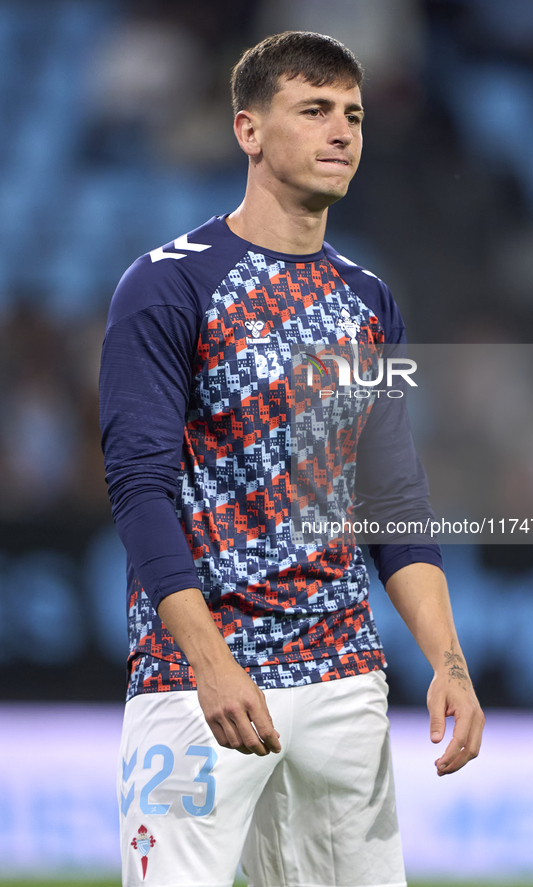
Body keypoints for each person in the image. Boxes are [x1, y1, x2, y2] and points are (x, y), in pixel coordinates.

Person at [99, 30, 485, 887]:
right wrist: (207, 659)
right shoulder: (169, 284)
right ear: (247, 130)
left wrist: (448, 665)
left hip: (344, 676)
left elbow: (392, 496)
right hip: (200, 682)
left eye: (350, 114)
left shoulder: (366, 297)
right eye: (313, 110)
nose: (341, 131)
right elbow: (139, 486)